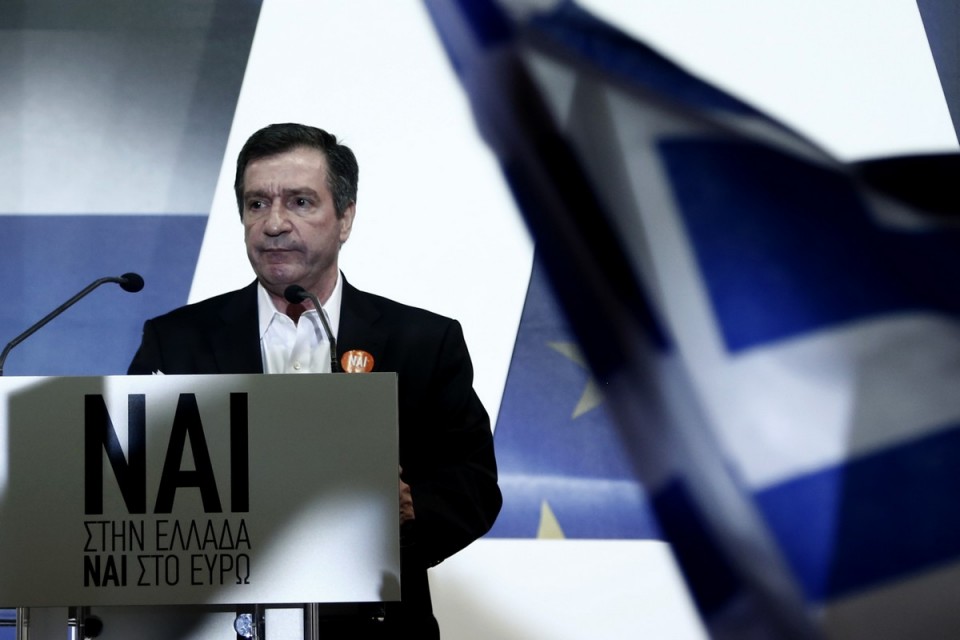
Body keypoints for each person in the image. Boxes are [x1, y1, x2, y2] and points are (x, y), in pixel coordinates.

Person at [128, 123, 502, 637]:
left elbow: (473, 484)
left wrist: (407, 510)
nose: (274, 223)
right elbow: (129, 483)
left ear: (345, 218)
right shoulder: (175, 340)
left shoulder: (422, 341)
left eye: (300, 202)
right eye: (257, 204)